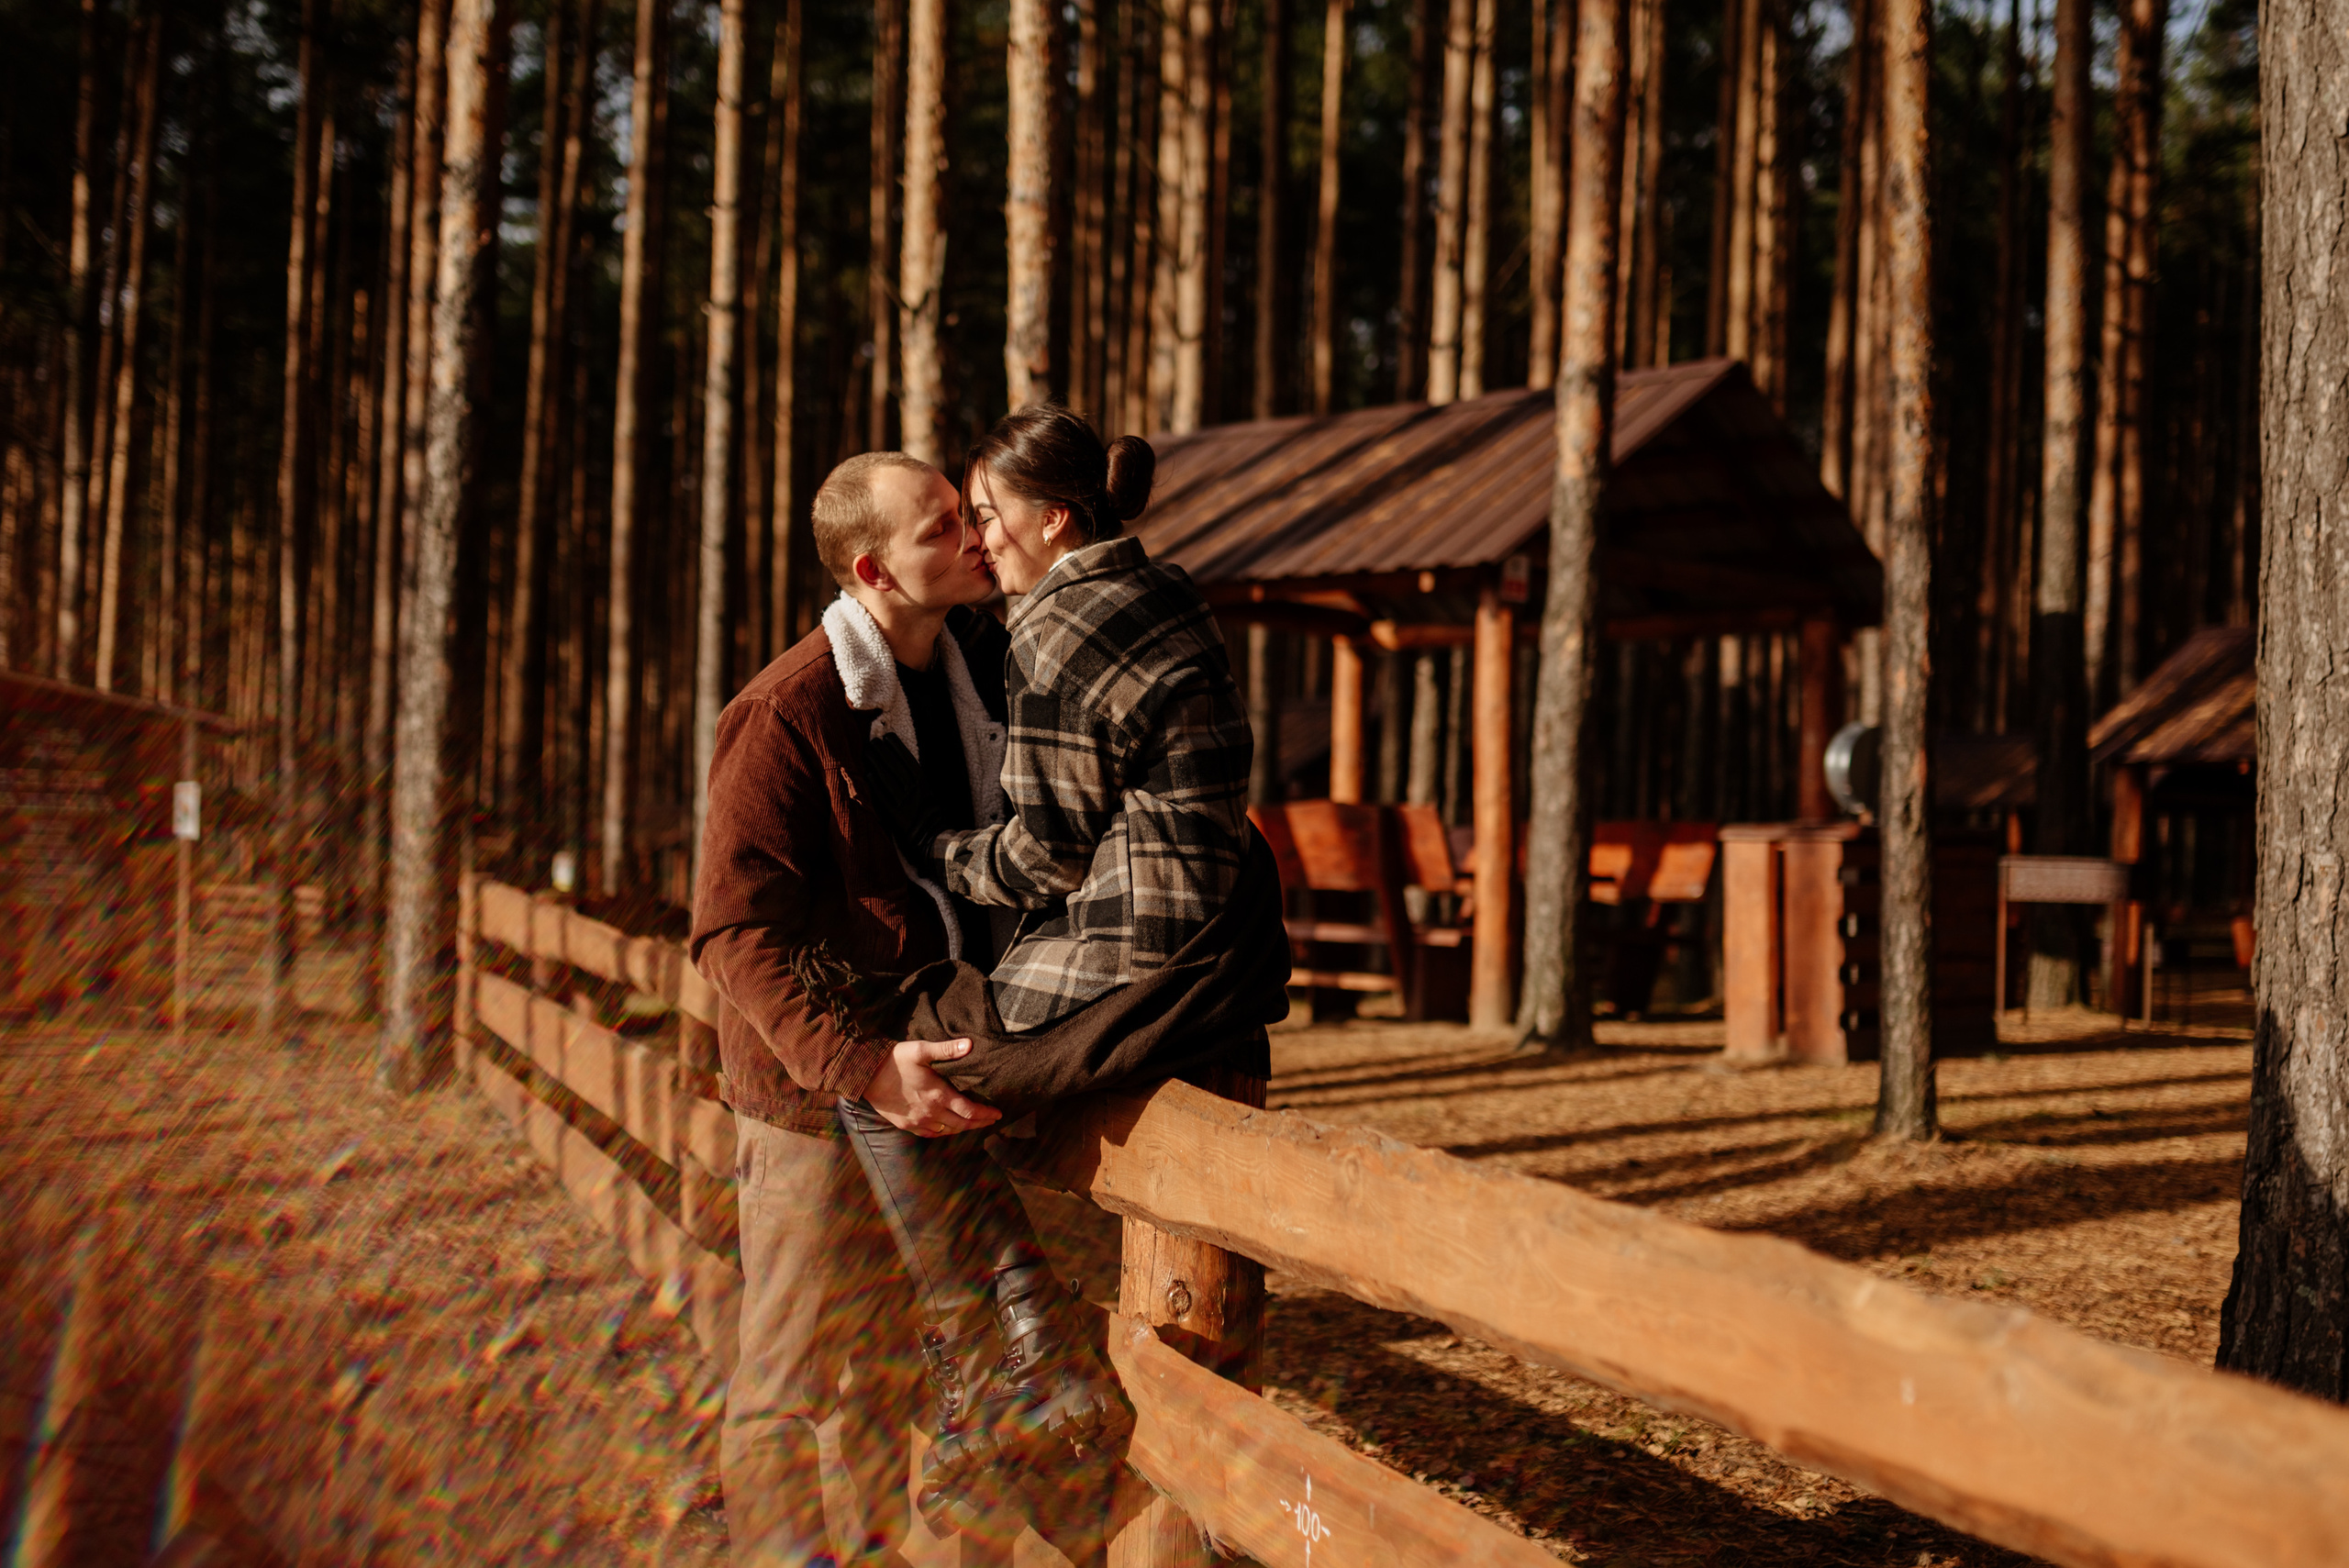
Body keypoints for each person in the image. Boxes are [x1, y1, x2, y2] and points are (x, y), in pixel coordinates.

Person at [837, 405, 1275, 1520]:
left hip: (1142, 948)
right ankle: (1011, 1328)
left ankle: (1010, 1333)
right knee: (923, 1056)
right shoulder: (1165, 585)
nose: (981, 537)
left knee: (892, 1066)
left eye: (987, 513)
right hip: (1222, 922)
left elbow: (1045, 854)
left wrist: (933, 840)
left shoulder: (1055, 626)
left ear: (1054, 514)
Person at [689, 450, 1021, 1565]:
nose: (974, 534)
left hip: (934, 1079)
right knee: (789, 1376)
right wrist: (864, 1065)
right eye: (942, 527)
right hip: (810, 1098)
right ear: (875, 567)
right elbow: (731, 930)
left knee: (899, 1371)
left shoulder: (976, 670)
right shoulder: (784, 711)